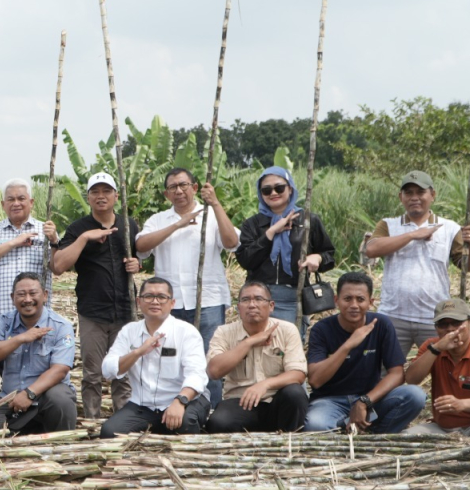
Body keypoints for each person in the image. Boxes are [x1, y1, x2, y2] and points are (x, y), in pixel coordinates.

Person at [136, 167, 238, 408]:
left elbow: (232, 242)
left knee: (209, 359)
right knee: (170, 357)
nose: (179, 191)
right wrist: (177, 225)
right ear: (166, 194)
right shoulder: (159, 219)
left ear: (194, 188)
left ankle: (211, 410)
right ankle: (171, 408)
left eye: (183, 185)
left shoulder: (211, 216)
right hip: (168, 304)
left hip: (208, 300)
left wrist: (216, 204)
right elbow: (141, 246)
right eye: (173, 187)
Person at [51, 172, 141, 419]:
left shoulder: (128, 224)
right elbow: (58, 266)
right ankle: (92, 420)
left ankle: (123, 419)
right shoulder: (78, 228)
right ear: (88, 197)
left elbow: (138, 256)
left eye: (106, 191)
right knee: (92, 373)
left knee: (122, 371)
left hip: (125, 309)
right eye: (95, 192)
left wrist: (137, 265)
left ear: (116, 195)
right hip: (92, 311)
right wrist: (84, 239)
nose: (101, 197)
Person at [363, 170, 470, 356]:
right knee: (384, 371)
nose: (414, 198)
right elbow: (372, 249)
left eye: (420, 192)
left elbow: (468, 266)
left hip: (435, 317)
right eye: (409, 193)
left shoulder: (450, 228)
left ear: (432, 195)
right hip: (393, 316)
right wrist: (412, 235)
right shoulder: (388, 225)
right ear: (401, 197)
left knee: (444, 367)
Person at [303, 272, 426, 434]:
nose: (354, 305)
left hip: (371, 399)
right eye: (347, 299)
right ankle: (348, 427)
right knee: (315, 424)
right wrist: (348, 345)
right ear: (336, 301)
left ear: (370, 303)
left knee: (415, 395)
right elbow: (315, 381)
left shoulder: (381, 324)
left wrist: (364, 402)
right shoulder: (322, 329)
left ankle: (372, 435)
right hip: (330, 401)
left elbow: (396, 374)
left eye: (360, 299)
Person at [98, 277, 211, 438]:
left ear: (172, 303)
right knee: (109, 432)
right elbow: (108, 370)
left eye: (162, 297)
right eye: (149, 296)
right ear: (139, 301)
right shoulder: (129, 331)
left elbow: (197, 375)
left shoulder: (186, 332)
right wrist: (138, 352)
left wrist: (180, 401)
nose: (155, 301)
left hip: (183, 400)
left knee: (185, 424)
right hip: (143, 405)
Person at [234, 166, 335, 333]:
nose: (273, 193)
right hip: (258, 298)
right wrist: (271, 233)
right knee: (256, 349)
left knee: (288, 350)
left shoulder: (309, 221)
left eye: (279, 188)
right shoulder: (252, 224)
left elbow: (329, 255)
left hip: (293, 297)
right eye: (266, 190)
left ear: (290, 188)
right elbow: (246, 260)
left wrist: (317, 258)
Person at [0, 272, 78, 434]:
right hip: (9, 396)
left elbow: (60, 370)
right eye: (21, 294)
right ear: (12, 297)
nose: (27, 299)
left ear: (45, 295)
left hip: (45, 395)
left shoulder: (61, 326)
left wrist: (30, 393)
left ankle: (60, 446)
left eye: (33, 293)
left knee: (61, 399)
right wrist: (20, 339)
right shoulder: (4, 322)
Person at [404, 298, 470, 447]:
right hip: (443, 430)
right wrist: (436, 349)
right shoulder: (432, 347)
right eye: (443, 324)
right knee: (406, 438)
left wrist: (462, 404)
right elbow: (411, 379)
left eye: (456, 323)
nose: (450, 329)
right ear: (436, 328)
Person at [205, 281, 309, 433]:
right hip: (240, 402)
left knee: (295, 394)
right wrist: (249, 342)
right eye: (245, 300)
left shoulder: (287, 330)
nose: (252, 305)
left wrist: (265, 384)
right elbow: (214, 371)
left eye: (259, 299)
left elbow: (298, 374)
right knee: (218, 423)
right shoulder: (224, 332)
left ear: (271, 306)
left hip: (276, 400)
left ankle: (289, 444)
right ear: (238, 307)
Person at [0, 178, 59, 321]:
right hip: (3, 313)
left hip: (37, 315)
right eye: (11, 199)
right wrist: (13, 243)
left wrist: (55, 241)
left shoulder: (46, 230)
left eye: (21, 199)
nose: (16, 204)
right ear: (3, 204)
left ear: (31, 202)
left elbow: (57, 268)